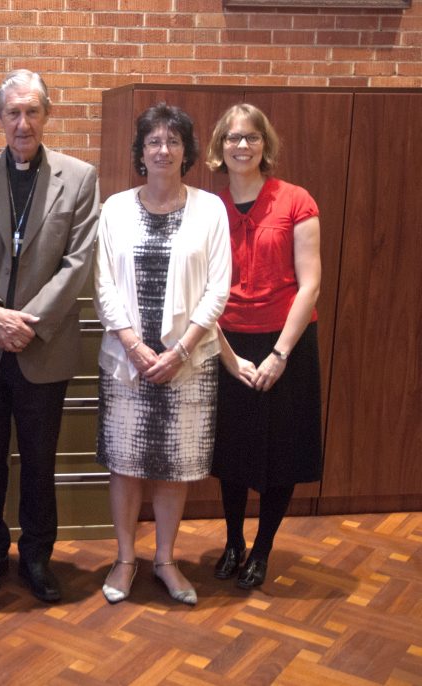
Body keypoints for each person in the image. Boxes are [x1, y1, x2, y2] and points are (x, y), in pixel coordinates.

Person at [0, 70, 100, 603]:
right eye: (12, 112)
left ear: (47, 114)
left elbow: (78, 262)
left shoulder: (79, 178)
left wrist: (27, 322)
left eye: (32, 111)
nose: (23, 122)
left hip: (43, 347)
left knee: (40, 462)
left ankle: (38, 556)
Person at [94, 104, 231, 606]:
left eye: (173, 141)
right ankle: (126, 557)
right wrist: (133, 344)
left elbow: (219, 288)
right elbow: (103, 284)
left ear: (187, 152)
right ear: (140, 152)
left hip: (188, 361)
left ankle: (166, 559)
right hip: (126, 362)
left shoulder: (210, 209)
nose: (163, 150)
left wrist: (179, 350)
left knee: (176, 462)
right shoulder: (114, 208)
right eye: (153, 141)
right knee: (127, 461)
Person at [205, 104, 323, 590]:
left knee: (282, 452)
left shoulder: (296, 200)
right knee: (230, 450)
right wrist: (229, 358)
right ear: (219, 147)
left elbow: (310, 283)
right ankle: (233, 540)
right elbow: (198, 288)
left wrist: (280, 354)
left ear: (265, 145)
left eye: (251, 138)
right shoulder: (208, 207)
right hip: (225, 340)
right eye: (232, 138)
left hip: (286, 342)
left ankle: (263, 547)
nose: (241, 146)